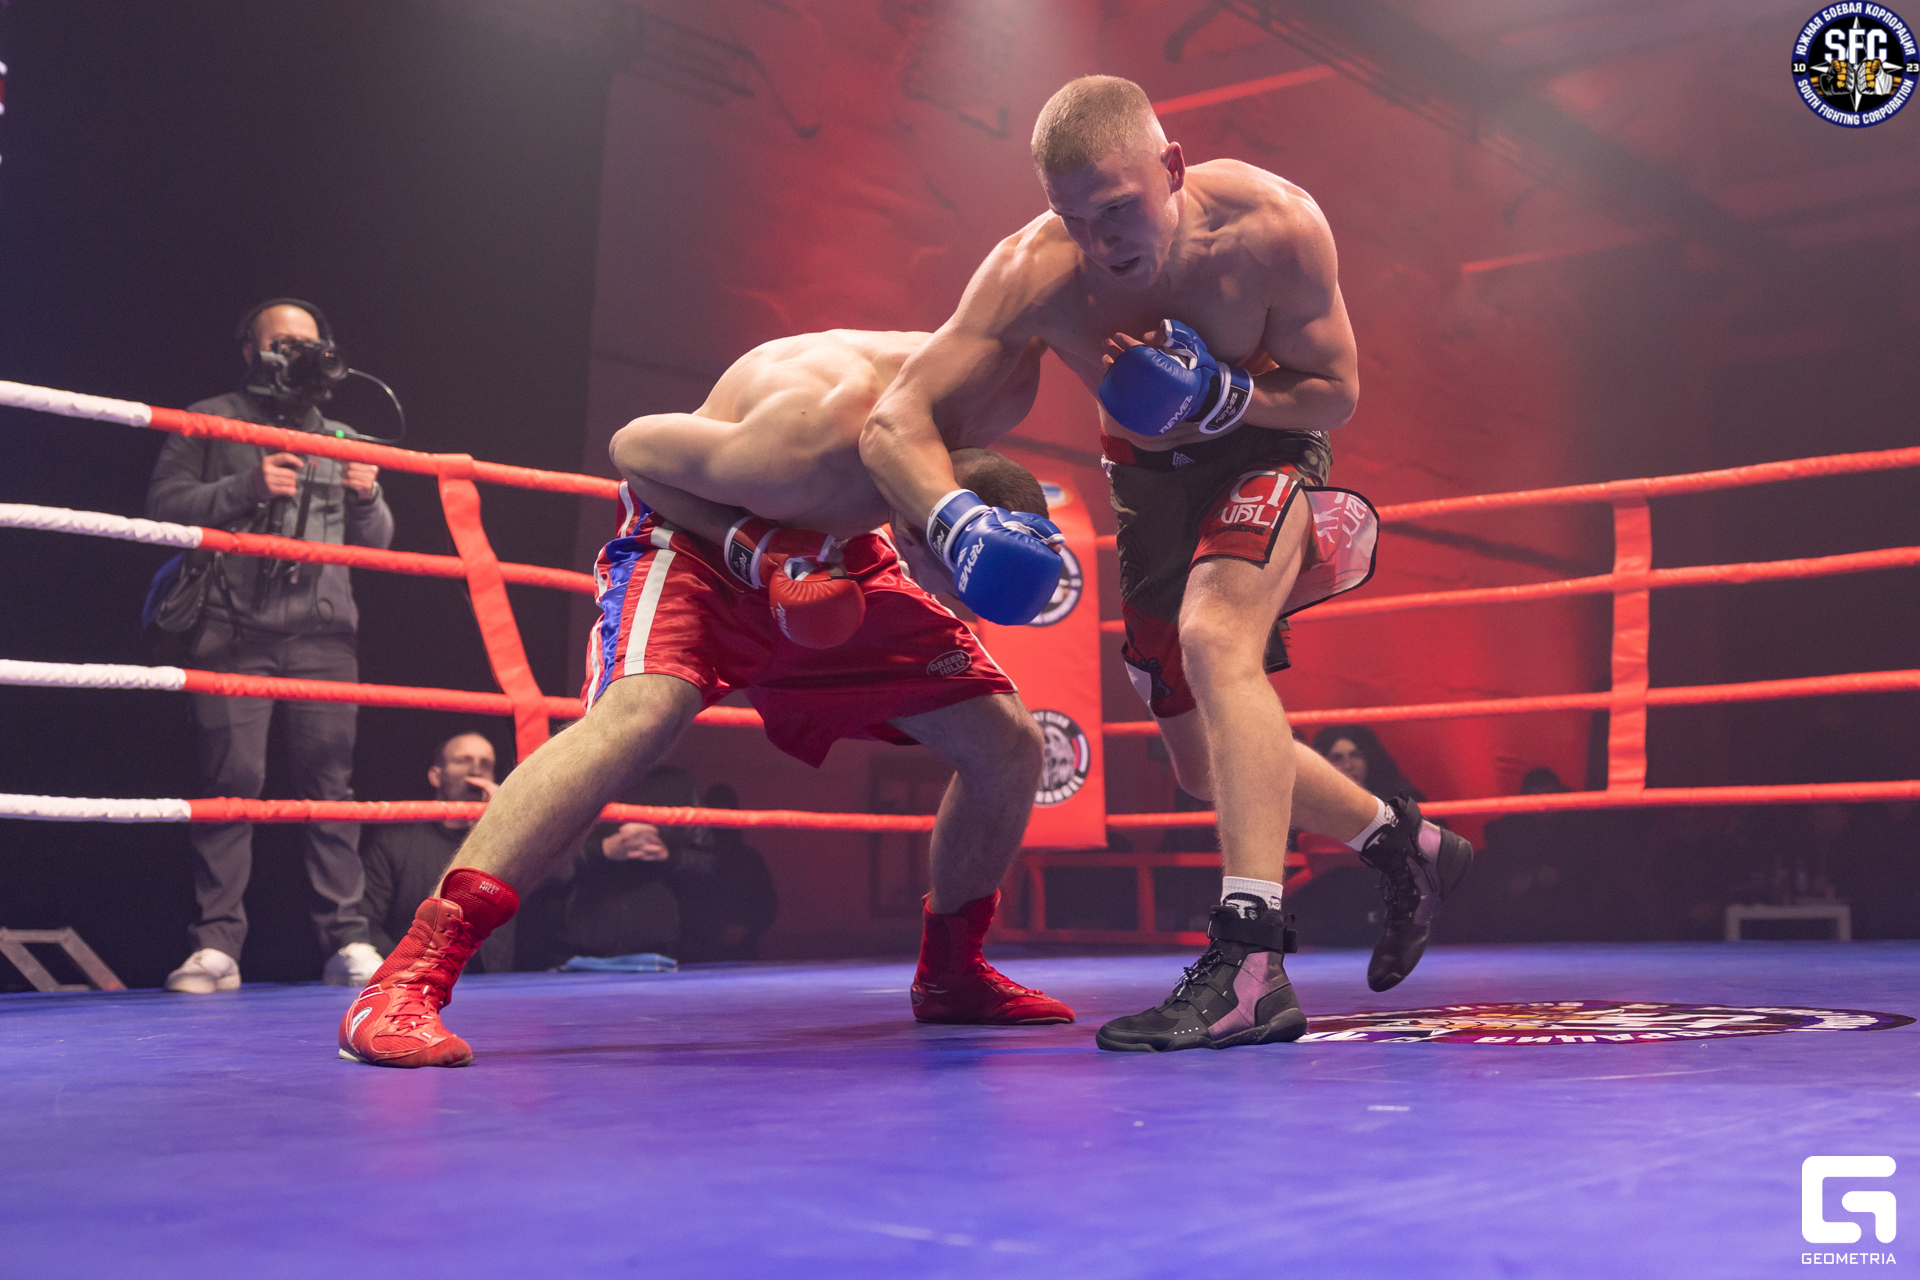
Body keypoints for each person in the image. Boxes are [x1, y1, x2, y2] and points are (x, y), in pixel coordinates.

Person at [860, 76, 1473, 1051]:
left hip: (1265, 449)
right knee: (1199, 765)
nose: (1099, 240)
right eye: (1074, 217)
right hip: (1148, 485)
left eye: (1117, 209)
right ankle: (1401, 841)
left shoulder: (1274, 226)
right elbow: (894, 418)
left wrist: (1230, 395)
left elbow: (1336, 389)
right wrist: (953, 514)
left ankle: (1252, 965)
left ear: (1172, 168)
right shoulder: (1034, 270)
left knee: (1215, 637)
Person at [339, 328, 1072, 1068]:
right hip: (695, 536)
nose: (960, 610)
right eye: (957, 588)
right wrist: (752, 543)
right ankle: (405, 981)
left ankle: (951, 975)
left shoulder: (992, 389)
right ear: (917, 536)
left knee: (1008, 742)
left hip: (831, 552)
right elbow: (633, 450)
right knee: (642, 715)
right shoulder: (806, 440)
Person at [148, 299, 394, 993]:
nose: (298, 354)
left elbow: (379, 545)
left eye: (308, 343)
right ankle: (216, 945)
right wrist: (243, 487)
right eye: (283, 343)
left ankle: (348, 939)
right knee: (231, 785)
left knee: (330, 789)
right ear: (251, 351)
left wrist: (369, 497)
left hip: (324, 635)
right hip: (232, 629)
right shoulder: (210, 417)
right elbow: (162, 508)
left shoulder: (343, 436)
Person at [358, 733, 515, 975]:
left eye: (485, 764)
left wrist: (505, 819)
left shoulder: (506, 839)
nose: (476, 771)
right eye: (463, 760)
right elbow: (367, 922)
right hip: (415, 980)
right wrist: (410, 972)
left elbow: (559, 880)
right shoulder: (395, 841)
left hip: (495, 983)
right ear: (436, 775)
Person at [679, 783, 779, 961]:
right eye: (716, 811)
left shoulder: (749, 858)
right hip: (695, 951)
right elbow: (679, 903)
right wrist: (704, 930)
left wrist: (746, 930)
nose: (721, 822)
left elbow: (767, 904)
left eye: (726, 812)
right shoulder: (689, 857)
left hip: (740, 952)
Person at [1312, 724, 1423, 802]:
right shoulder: (1313, 806)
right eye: (1337, 758)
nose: (1348, 766)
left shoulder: (1400, 800)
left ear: (1369, 759)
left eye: (1355, 755)